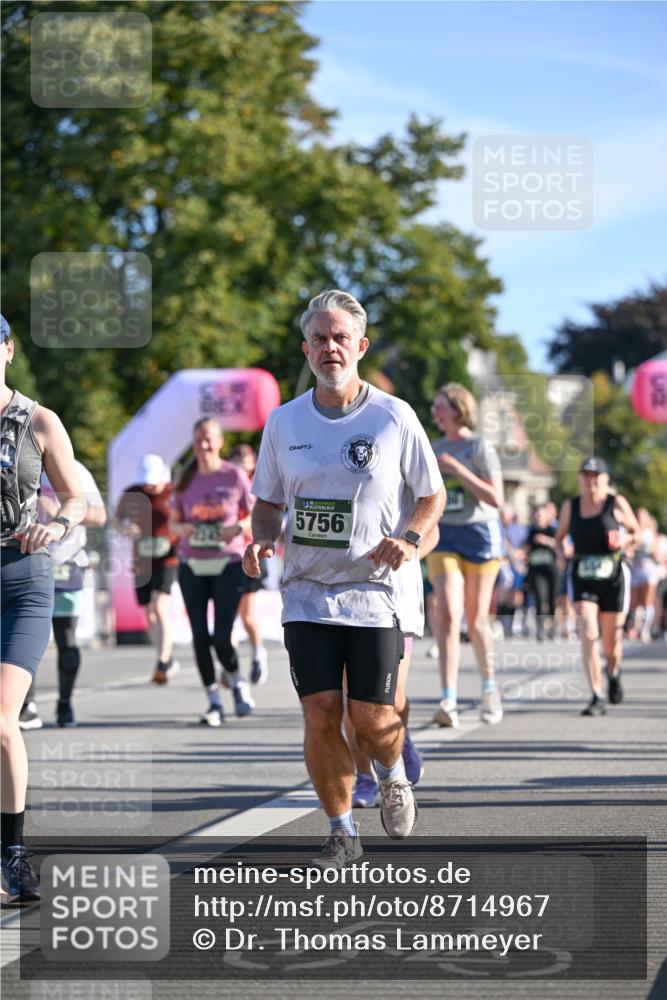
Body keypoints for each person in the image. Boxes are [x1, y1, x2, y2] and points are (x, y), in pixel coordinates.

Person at [243, 289, 444, 869]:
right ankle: (340, 830)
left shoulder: (393, 416)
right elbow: (268, 502)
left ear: (360, 346)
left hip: (376, 593)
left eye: (340, 338)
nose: (329, 347)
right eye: (318, 338)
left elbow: (431, 497)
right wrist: (260, 537)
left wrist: (407, 539)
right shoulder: (283, 422)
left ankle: (392, 773)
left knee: (373, 718)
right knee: (320, 713)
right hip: (307, 592)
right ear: (305, 348)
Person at [1, 314, 84, 902]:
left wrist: (55, 524)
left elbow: (77, 497)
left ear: (7, 350)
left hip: (23, 580)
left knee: (1, 721)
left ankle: (13, 853)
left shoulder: (39, 421)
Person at [426, 384, 504, 728]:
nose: (435, 412)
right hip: (444, 535)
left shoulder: (478, 447)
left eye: (440, 406)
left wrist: (459, 472)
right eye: (434, 407)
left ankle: (489, 689)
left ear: (458, 409)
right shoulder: (433, 447)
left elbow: (496, 498)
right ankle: (449, 698)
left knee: (476, 619)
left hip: (479, 534)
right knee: (447, 611)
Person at [346, 524, 439, 807]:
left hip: (395, 601)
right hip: (343, 598)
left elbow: (433, 532)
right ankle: (364, 776)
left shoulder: (409, 480)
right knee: (352, 697)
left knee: (393, 699)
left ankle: (400, 739)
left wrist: (409, 549)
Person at [170, 418, 255, 724]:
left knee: (221, 636)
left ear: (219, 442)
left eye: (209, 439)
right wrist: (186, 529)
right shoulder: (184, 478)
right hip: (192, 563)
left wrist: (235, 528)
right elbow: (173, 524)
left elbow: (255, 514)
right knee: (199, 636)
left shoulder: (234, 476)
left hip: (227, 563)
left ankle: (237, 681)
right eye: (198, 440)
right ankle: (214, 702)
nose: (203, 445)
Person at [19, 460, 106, 730]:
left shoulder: (75, 470)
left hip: (65, 563)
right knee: (22, 636)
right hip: (25, 560)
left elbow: (100, 516)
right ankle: (26, 706)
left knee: (66, 638)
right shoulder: (15, 459)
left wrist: (58, 512)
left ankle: (66, 703)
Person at [555, 457, 639, 716]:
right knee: (589, 630)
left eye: (596, 476)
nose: (591, 481)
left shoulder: (616, 503)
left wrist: (623, 540)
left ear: (605, 479)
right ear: (580, 479)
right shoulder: (572, 505)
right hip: (583, 573)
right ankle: (596, 694)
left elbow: (636, 532)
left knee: (611, 642)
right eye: (586, 475)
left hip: (613, 575)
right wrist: (561, 554)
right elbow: (559, 539)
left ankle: (613, 672)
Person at [115, 454, 180, 683]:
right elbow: (116, 518)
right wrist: (125, 526)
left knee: (159, 606)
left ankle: (162, 662)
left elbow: (184, 518)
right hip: (141, 560)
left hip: (168, 558)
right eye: (146, 481)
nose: (149, 485)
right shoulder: (132, 492)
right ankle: (167, 657)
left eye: (153, 480)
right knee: (149, 613)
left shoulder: (173, 492)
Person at [228, 443, 268, 685]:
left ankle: (257, 654)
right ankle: (229, 665)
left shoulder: (259, 484)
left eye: (246, 460)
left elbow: (256, 515)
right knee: (227, 618)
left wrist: (236, 528)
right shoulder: (224, 483)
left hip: (249, 553)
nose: (242, 463)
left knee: (247, 615)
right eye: (237, 459)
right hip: (224, 557)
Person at [525, 504, 558, 642]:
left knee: (551, 599)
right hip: (536, 570)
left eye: (541, 515)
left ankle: (551, 627)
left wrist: (546, 541)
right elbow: (525, 548)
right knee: (539, 598)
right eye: (536, 515)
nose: (538, 518)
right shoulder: (531, 531)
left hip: (552, 569)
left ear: (546, 517)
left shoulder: (552, 530)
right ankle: (540, 629)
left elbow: (562, 547)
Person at [628, 508, 661, 643]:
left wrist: (645, 548)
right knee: (636, 603)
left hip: (648, 570)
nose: (640, 519)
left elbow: (656, 553)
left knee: (647, 601)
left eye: (642, 516)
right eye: (638, 516)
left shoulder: (649, 533)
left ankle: (645, 630)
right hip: (635, 570)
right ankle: (637, 628)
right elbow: (628, 550)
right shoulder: (632, 532)